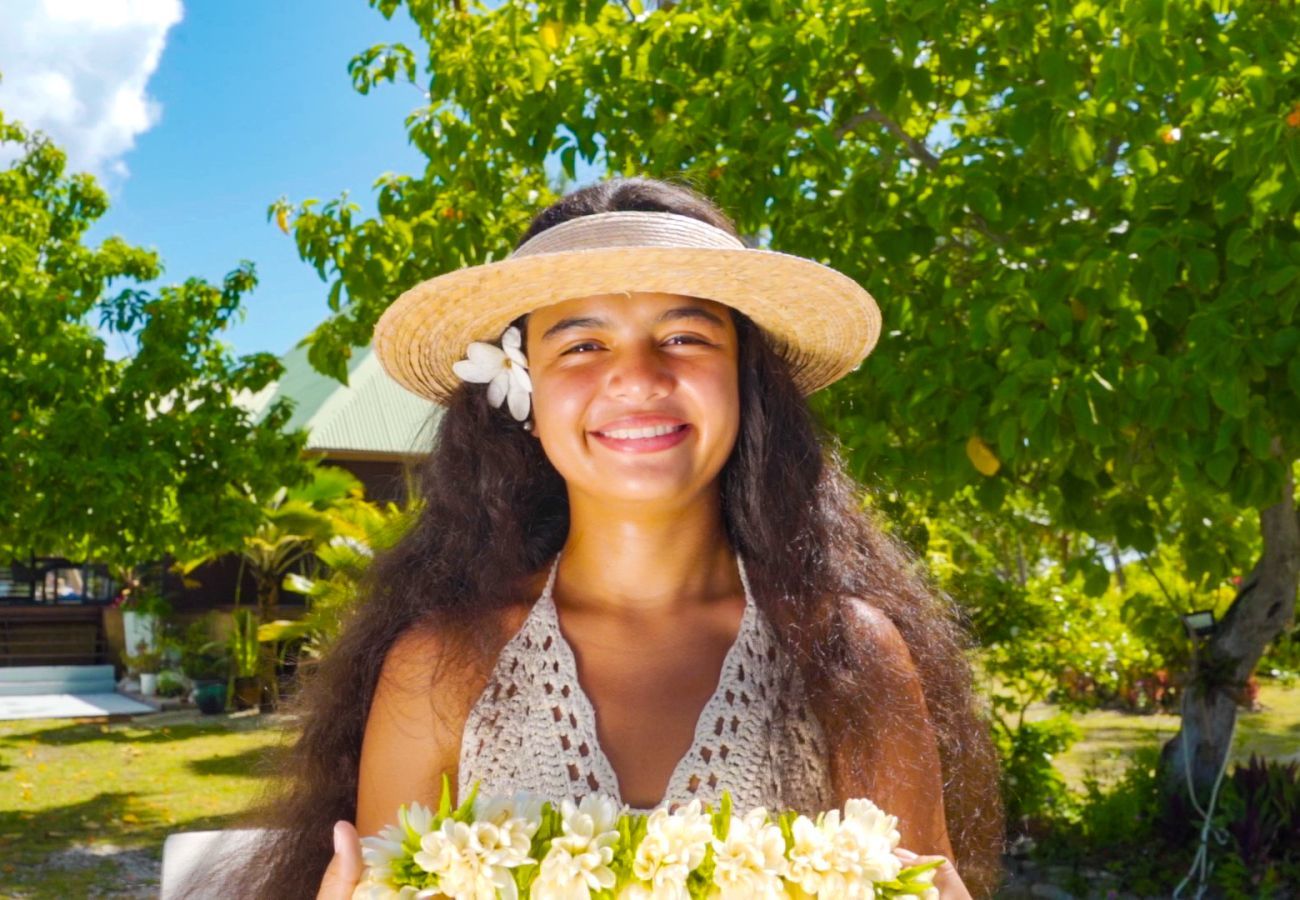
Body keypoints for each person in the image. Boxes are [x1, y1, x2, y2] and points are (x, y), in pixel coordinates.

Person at [187, 176, 1004, 899]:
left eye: (685, 336)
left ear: (745, 378)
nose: (639, 377)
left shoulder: (847, 656)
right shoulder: (440, 668)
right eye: (582, 344)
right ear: (521, 389)